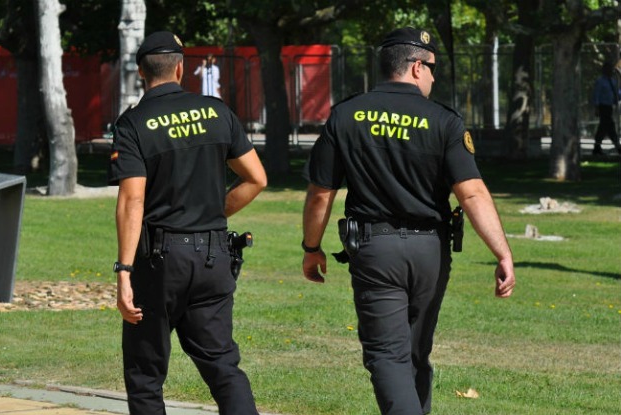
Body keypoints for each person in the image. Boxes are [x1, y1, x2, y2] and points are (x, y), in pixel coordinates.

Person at [301, 27, 515, 415]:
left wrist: (311, 248)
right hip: (430, 251)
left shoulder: (346, 115)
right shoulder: (444, 121)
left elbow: (321, 193)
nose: (434, 77)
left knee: (387, 355)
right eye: (433, 68)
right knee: (415, 352)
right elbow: (472, 193)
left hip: (375, 249)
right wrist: (502, 253)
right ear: (417, 67)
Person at [108, 31, 266, 415]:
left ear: (142, 73)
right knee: (223, 365)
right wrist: (214, 213)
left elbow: (132, 200)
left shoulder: (133, 124)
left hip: (161, 261)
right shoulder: (216, 111)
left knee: (146, 373)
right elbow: (256, 179)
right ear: (181, 67)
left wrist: (124, 271)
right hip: (213, 256)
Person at [592, 61, 621, 155]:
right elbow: (596, 94)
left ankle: (597, 147)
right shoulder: (600, 81)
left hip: (609, 106)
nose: (610, 71)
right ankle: (618, 147)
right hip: (603, 106)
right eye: (608, 69)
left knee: (604, 127)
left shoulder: (612, 81)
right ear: (604, 70)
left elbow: (616, 93)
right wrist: (596, 108)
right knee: (609, 126)